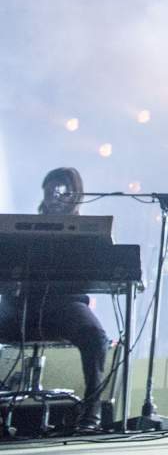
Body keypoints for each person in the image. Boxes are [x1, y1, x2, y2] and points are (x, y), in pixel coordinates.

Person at [0, 168, 110, 432]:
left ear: (76, 195)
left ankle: (90, 415)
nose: (53, 196)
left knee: (95, 336)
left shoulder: (87, 232)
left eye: (60, 189)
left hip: (67, 305)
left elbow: (100, 271)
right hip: (21, 306)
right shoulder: (22, 230)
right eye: (49, 190)